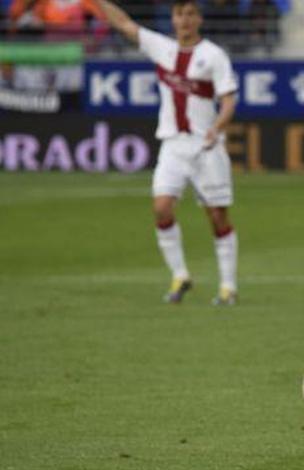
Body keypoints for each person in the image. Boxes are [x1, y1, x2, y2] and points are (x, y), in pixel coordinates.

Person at [95, 0, 240, 305]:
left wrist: (217, 125)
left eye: (190, 14)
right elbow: (123, 22)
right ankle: (180, 275)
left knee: (217, 216)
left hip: (206, 146)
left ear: (199, 19)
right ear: (172, 20)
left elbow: (228, 100)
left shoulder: (214, 55)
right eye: (179, 14)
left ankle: (228, 286)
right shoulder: (162, 48)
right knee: (161, 208)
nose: (184, 20)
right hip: (173, 145)